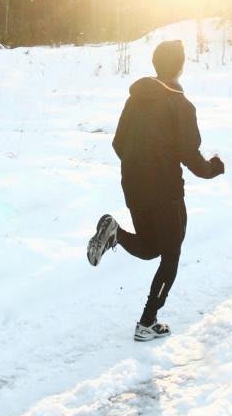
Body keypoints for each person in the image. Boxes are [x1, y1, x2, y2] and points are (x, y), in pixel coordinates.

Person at [86, 38, 224, 341]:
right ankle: (147, 322)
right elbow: (191, 156)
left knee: (151, 248)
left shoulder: (135, 99)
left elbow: (118, 143)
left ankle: (115, 232)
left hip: (133, 185)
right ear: (180, 67)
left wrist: (140, 165)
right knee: (170, 256)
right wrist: (214, 168)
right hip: (165, 191)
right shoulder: (181, 105)